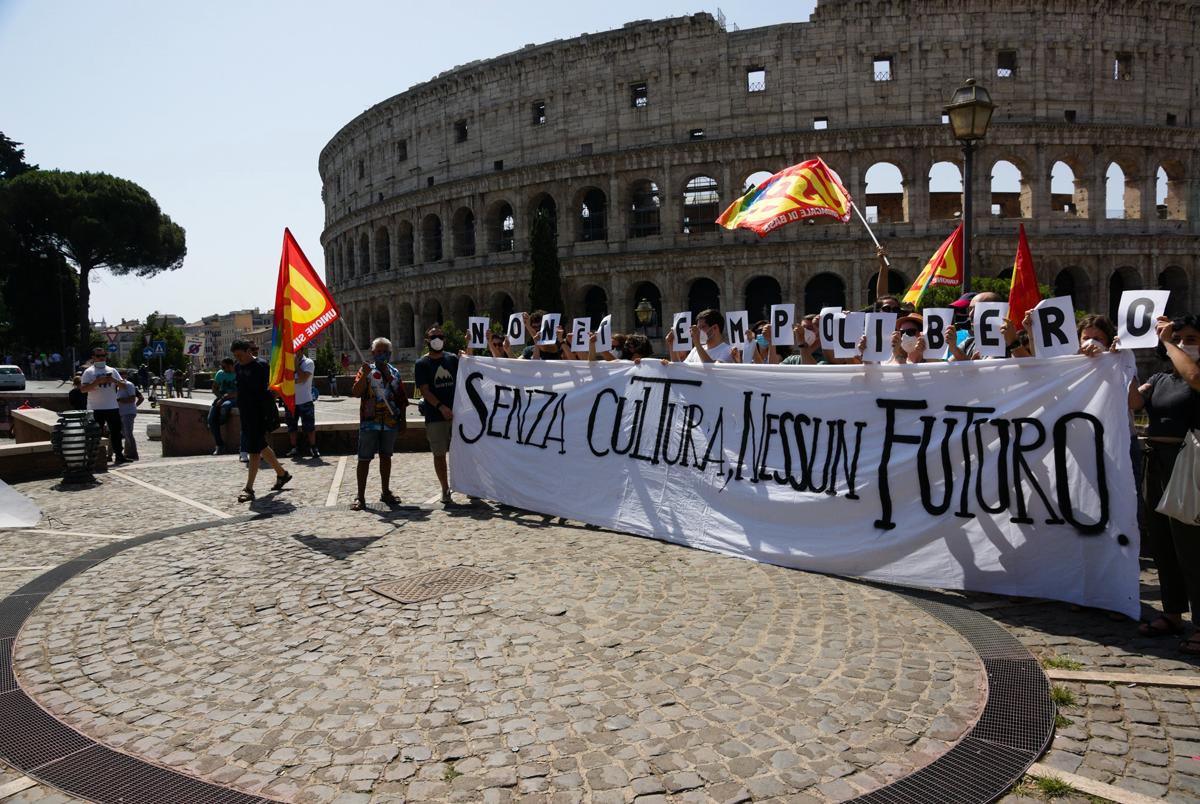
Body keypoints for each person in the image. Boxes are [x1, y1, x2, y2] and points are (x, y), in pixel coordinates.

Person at [1129, 314, 1200, 654]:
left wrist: (1169, 342)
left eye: (1192, 337)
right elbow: (1134, 403)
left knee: (1191, 545)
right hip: (1156, 461)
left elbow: (1194, 375)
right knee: (1161, 541)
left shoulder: (1193, 376)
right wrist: (1121, 361)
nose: (1186, 343)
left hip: (1188, 463)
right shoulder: (1160, 378)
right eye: (1181, 337)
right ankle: (1173, 612)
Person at [351, 338, 408, 510]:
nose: (382, 355)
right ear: (372, 353)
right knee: (364, 459)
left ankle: (385, 491)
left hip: (389, 422)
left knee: (386, 457)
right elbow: (355, 392)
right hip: (370, 422)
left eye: (386, 352)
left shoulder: (394, 372)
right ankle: (360, 496)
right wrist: (365, 375)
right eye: (379, 352)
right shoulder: (366, 370)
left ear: (390, 354)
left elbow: (401, 397)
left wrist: (403, 420)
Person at [231, 339, 290, 503]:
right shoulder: (238, 367)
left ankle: (249, 488)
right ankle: (282, 474)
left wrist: (272, 398)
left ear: (249, 351)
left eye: (240, 355)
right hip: (246, 413)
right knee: (260, 445)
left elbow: (276, 386)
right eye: (235, 356)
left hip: (260, 413)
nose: (238, 359)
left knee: (254, 449)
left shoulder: (262, 366)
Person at [415, 326, 459, 504]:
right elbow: (424, 390)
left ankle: (470, 486)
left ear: (445, 339)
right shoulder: (422, 363)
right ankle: (445, 488)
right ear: (427, 340)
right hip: (435, 415)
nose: (437, 339)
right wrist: (441, 407)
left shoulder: (453, 359)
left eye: (440, 336)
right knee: (439, 454)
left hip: (457, 414)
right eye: (433, 336)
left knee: (464, 452)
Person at [79, 347, 127, 464]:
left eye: (104, 355)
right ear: (93, 357)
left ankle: (119, 456)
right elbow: (83, 389)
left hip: (112, 406)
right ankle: (94, 458)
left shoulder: (112, 370)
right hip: (95, 408)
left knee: (116, 433)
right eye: (99, 356)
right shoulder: (89, 372)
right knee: (95, 434)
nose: (102, 358)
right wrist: (97, 382)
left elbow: (124, 386)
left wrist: (113, 380)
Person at [284, 346, 319, 459]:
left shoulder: (308, 362)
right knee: (291, 426)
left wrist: (296, 365)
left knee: (309, 426)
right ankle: (294, 448)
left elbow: (303, 378)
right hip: (291, 401)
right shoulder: (287, 364)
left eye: (295, 351)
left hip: (305, 400)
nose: (293, 353)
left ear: (301, 351)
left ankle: (313, 447)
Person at [667, 309, 733, 363]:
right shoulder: (695, 350)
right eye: (698, 328)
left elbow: (713, 370)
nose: (698, 331)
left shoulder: (728, 350)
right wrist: (671, 344)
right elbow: (682, 370)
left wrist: (697, 343)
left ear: (715, 328)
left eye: (702, 327)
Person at [208, 357, 238, 455]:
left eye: (224, 367)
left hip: (234, 399)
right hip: (222, 398)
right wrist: (220, 397)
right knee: (211, 419)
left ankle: (222, 420)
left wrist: (224, 398)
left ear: (230, 366)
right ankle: (219, 444)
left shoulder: (238, 373)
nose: (222, 368)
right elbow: (214, 388)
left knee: (226, 406)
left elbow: (240, 391)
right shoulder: (220, 373)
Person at [115, 377, 143, 461]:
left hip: (128, 413)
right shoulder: (117, 388)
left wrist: (119, 400)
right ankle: (127, 453)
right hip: (121, 413)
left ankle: (133, 454)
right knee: (125, 433)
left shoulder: (129, 385)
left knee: (128, 433)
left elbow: (132, 399)